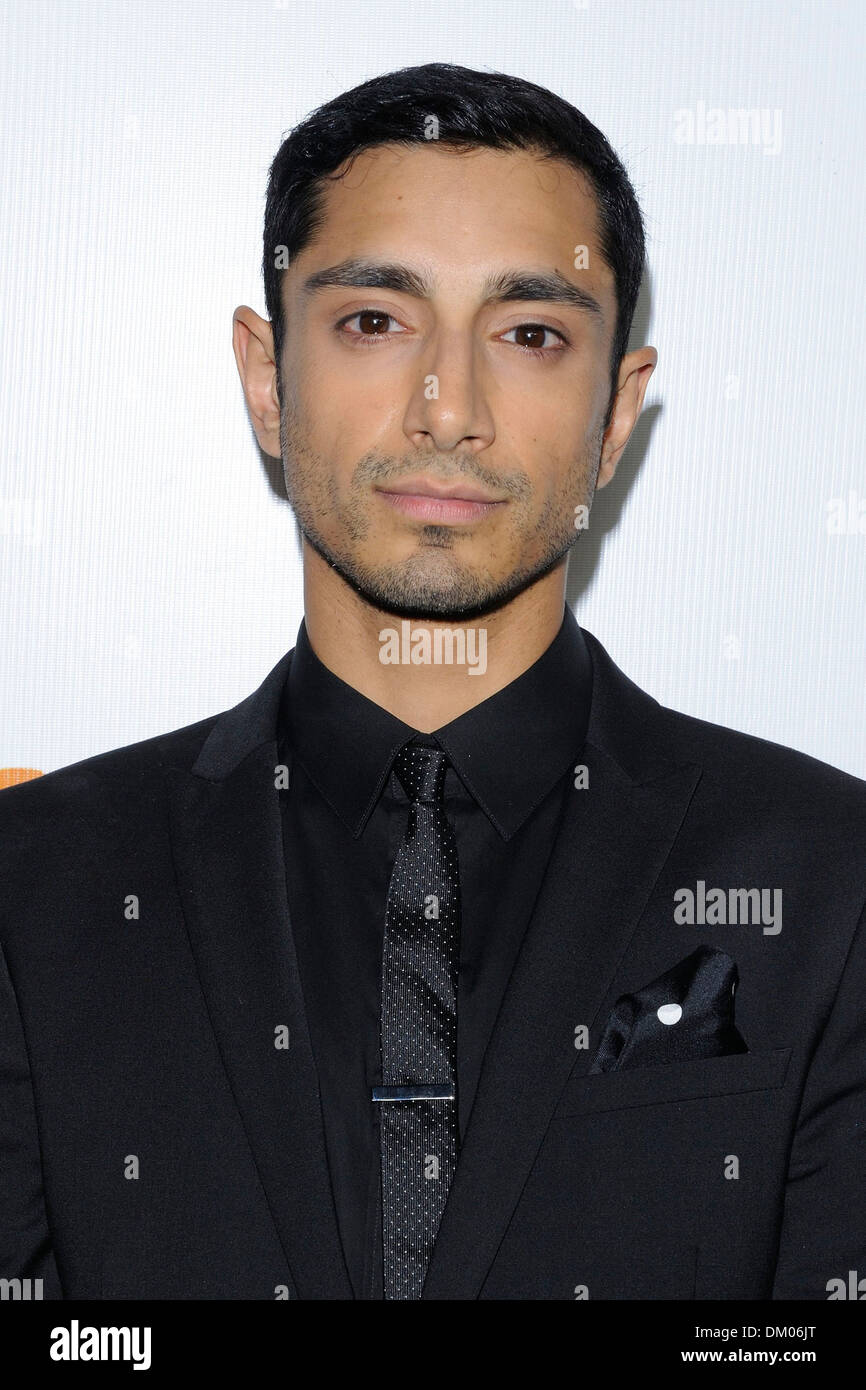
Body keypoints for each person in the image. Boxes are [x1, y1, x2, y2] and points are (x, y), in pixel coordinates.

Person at [2, 62, 864, 1301]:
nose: (446, 406)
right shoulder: (34, 889)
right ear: (265, 377)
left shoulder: (830, 879)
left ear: (615, 414)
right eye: (372, 320)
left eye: (528, 334)